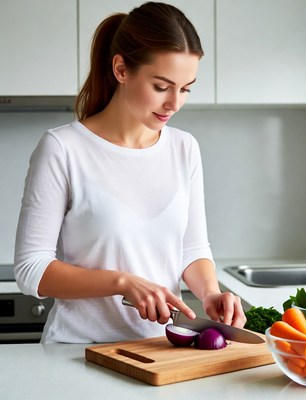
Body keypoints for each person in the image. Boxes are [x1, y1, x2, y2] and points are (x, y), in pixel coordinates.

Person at [14, 2, 246, 343]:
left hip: (159, 351)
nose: (174, 103)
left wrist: (210, 293)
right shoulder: (63, 148)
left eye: (185, 88)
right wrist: (122, 282)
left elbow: (192, 249)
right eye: (161, 86)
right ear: (121, 69)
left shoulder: (184, 148)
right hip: (77, 352)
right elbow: (31, 269)